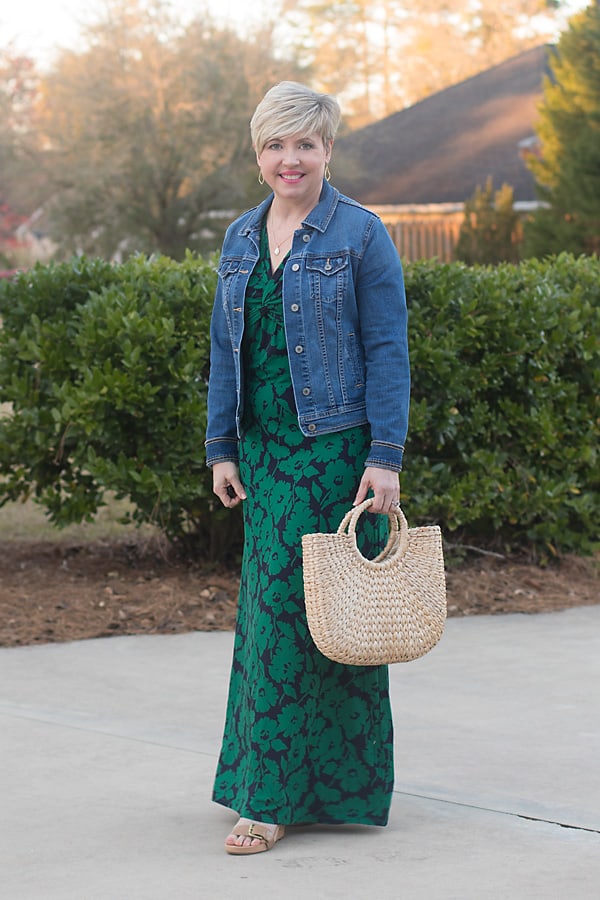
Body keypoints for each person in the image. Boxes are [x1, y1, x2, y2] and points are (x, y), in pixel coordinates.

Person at [205, 81, 410, 855]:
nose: (290, 159)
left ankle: (277, 800)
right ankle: (268, 783)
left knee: (323, 624)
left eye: (304, 144)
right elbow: (227, 352)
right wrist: (220, 446)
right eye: (274, 145)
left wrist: (384, 460)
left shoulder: (360, 233)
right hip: (263, 455)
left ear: (327, 148)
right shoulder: (239, 238)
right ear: (258, 154)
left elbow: (389, 350)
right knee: (270, 621)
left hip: (332, 456)